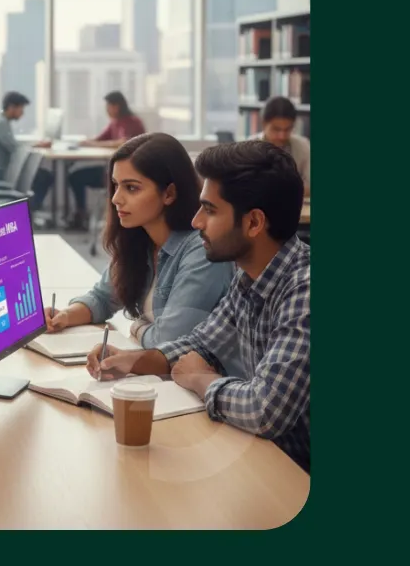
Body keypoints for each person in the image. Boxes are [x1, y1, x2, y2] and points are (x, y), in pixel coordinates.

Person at [86, 140, 309, 473]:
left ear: (253, 223)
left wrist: (201, 380)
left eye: (210, 210)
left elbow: (265, 411)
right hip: (264, 457)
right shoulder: (249, 276)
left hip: (297, 469)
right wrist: (132, 361)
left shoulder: (304, 291)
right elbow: (201, 343)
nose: (196, 221)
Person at [44, 133, 231, 349]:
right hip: (154, 372)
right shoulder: (141, 237)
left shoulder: (201, 252)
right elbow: (102, 298)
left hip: (190, 378)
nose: (116, 198)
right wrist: (65, 316)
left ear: (169, 193)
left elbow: (167, 341)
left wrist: (137, 327)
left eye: (131, 188)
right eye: (116, 185)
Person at [65, 91, 146, 228]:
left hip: (128, 173)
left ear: (117, 106)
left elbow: (122, 142)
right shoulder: (115, 122)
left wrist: (93, 144)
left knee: (77, 177)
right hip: (113, 170)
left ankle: (80, 215)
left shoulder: (132, 122)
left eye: (108, 107)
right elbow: (100, 139)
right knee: (74, 175)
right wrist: (84, 142)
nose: (107, 111)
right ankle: (80, 213)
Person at [0, 92, 53, 207]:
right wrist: (37, 145)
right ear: (11, 107)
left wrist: (35, 145)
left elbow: (15, 147)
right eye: (21, 108)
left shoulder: (1, 121)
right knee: (45, 177)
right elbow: (16, 149)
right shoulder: (0, 123)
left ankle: (30, 209)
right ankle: (31, 209)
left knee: (41, 175)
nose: (22, 113)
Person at [257, 97, 311, 198]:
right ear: (264, 124)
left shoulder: (304, 146)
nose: (282, 136)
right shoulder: (247, 147)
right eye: (276, 129)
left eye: (287, 129)